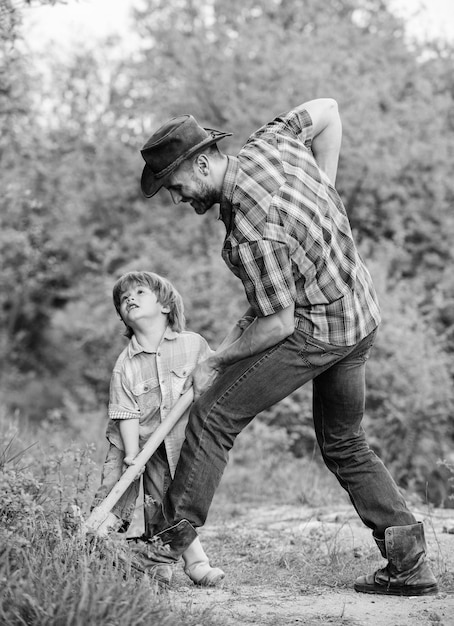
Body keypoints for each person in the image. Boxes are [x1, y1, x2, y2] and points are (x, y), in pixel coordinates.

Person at [134, 100, 438, 596]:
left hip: (316, 329)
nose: (176, 198)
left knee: (213, 414)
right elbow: (329, 110)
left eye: (175, 185)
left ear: (203, 162)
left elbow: (277, 324)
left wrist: (216, 359)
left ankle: (165, 544)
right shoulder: (270, 144)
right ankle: (409, 564)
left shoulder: (254, 228)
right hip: (358, 314)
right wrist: (326, 184)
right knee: (344, 442)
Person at [91, 270, 225, 586]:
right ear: (123, 318)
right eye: (124, 299)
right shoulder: (126, 364)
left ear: (165, 306)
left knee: (166, 503)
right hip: (132, 442)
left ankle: (195, 564)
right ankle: (96, 540)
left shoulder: (193, 346)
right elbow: (125, 413)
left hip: (175, 442)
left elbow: (214, 383)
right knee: (115, 492)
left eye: (139, 293)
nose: (130, 299)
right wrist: (133, 456)